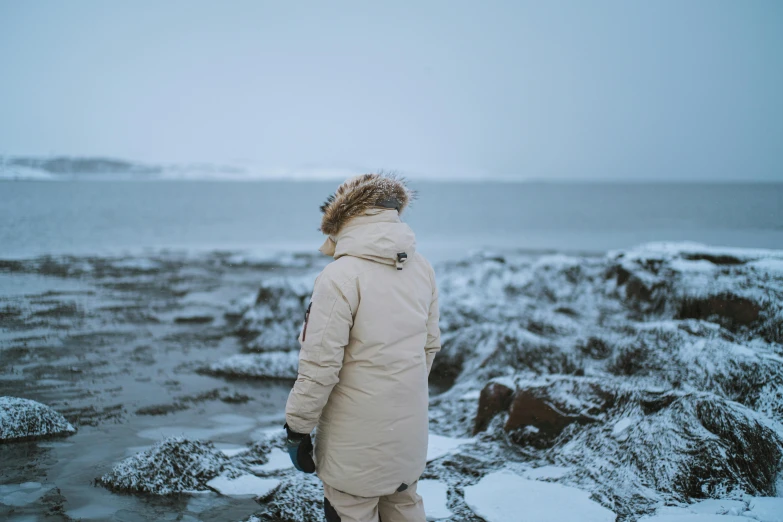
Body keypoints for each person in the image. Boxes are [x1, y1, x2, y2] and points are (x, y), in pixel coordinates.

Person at [284, 173, 441, 522]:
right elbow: (429, 347)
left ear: (344, 217)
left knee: (351, 509)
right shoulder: (421, 268)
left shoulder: (340, 277)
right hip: (408, 436)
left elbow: (320, 367)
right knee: (404, 504)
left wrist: (297, 429)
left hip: (352, 447)